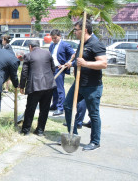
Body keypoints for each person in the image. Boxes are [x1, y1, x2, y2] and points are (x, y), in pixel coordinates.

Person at [63, 20, 107, 151]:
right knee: (67, 105)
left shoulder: (96, 44)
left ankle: (95, 141)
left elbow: (103, 64)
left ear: (85, 30)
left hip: (92, 86)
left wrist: (85, 63)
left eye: (76, 30)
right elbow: (79, 61)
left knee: (93, 114)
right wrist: (73, 63)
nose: (75, 32)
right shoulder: (82, 44)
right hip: (78, 83)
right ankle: (73, 135)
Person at [19, 40, 56, 136]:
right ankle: (40, 130)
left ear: (30, 46)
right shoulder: (47, 53)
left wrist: (21, 86)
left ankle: (26, 130)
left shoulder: (28, 55)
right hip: (49, 85)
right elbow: (53, 68)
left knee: (30, 108)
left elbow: (24, 73)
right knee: (45, 109)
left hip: (35, 86)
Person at [49, 29, 75, 116]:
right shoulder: (52, 45)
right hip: (52, 69)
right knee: (53, 88)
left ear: (59, 36)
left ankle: (61, 108)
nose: (54, 40)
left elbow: (73, 55)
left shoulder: (65, 45)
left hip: (59, 69)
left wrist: (65, 64)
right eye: (52, 38)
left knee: (60, 89)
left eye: (55, 38)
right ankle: (55, 105)